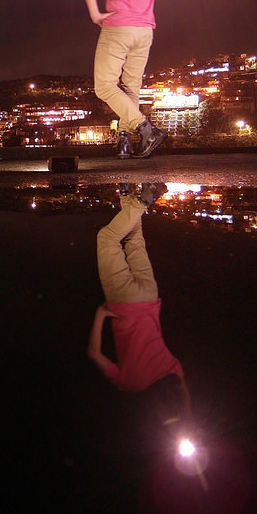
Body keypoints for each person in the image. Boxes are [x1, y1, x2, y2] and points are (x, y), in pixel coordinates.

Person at [81, 0, 182, 158]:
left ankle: (145, 129)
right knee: (131, 87)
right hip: (145, 31)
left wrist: (95, 14)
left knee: (104, 86)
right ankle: (124, 142)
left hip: (118, 27)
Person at [87, 182, 190, 426]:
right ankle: (142, 200)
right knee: (107, 239)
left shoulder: (174, 371)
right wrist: (101, 315)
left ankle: (127, 196)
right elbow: (93, 353)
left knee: (135, 241)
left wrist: (186, 415)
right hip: (123, 304)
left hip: (150, 297)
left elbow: (184, 392)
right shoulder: (130, 384)